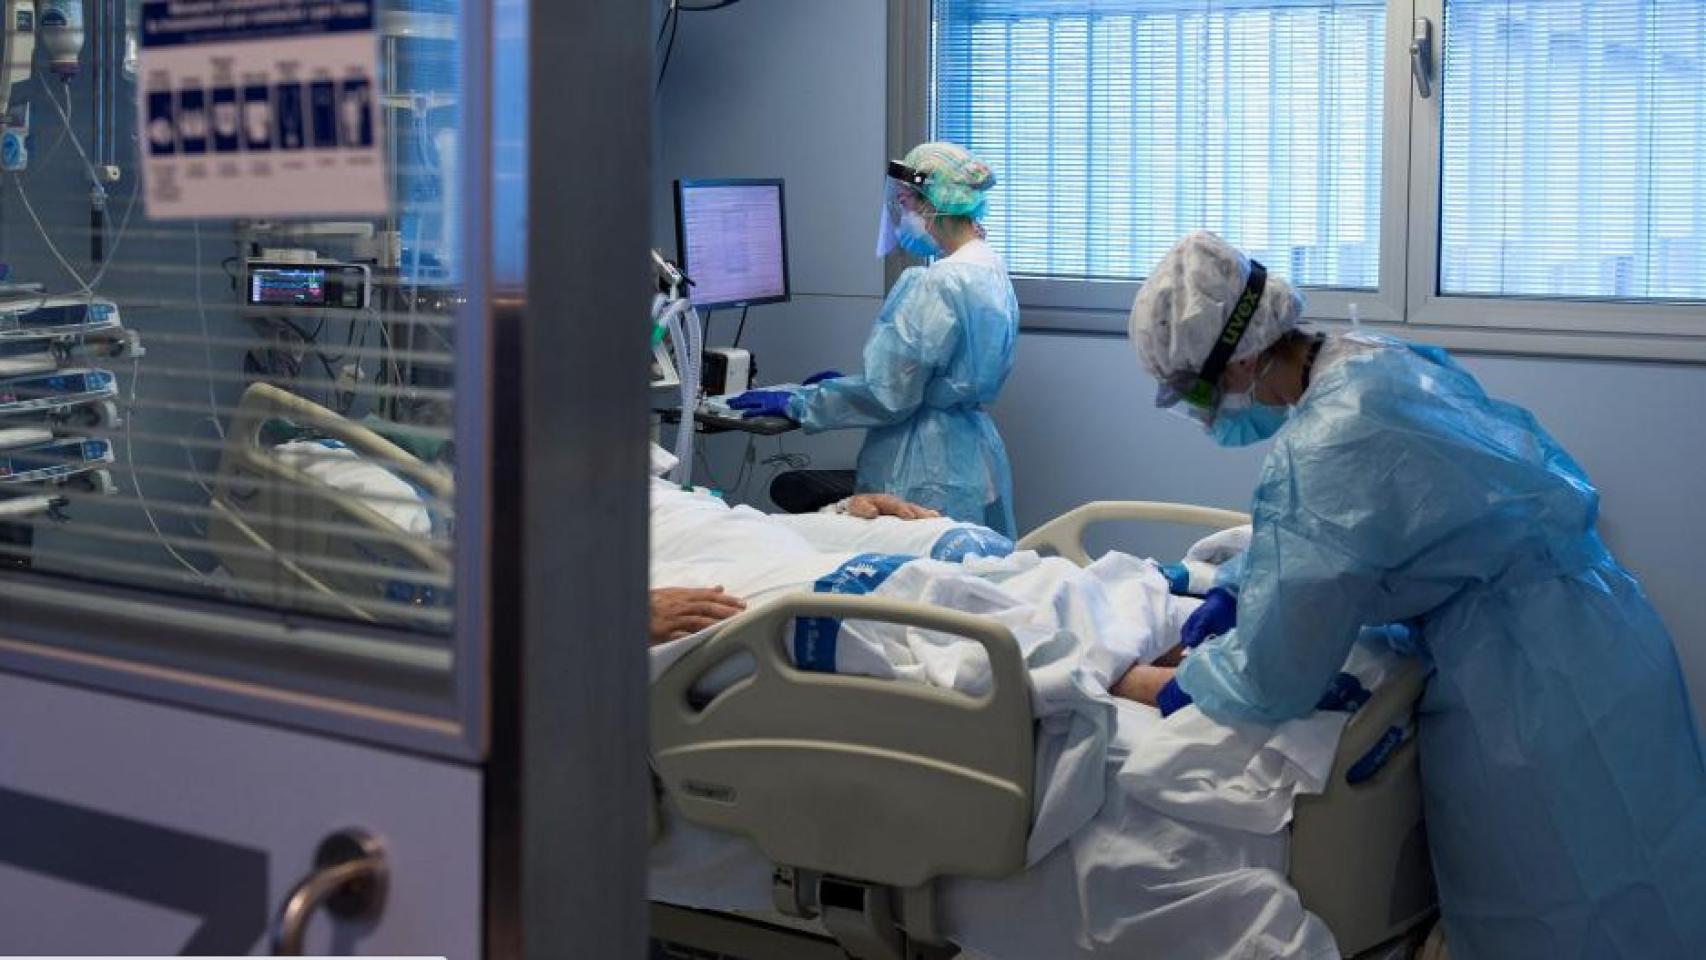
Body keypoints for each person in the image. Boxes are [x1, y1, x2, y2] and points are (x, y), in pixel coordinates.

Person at [1119, 230, 1706, 959]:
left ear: (1241, 359)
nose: (1208, 415)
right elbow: (1374, 528)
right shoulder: (1374, 362)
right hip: (1601, 632)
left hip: (1527, 697)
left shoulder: (1325, 444)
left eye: (1201, 392)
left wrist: (1163, 683)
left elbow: (1273, 675)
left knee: (1566, 915)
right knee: (1654, 888)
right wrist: (1236, 584)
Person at [729, 142, 1020, 535]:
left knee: (906, 581)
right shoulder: (989, 267)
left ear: (931, 203)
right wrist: (844, 386)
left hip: (923, 464)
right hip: (971, 454)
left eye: (904, 202)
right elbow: (932, 371)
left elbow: (889, 396)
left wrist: (801, 403)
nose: (901, 214)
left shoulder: (937, 283)